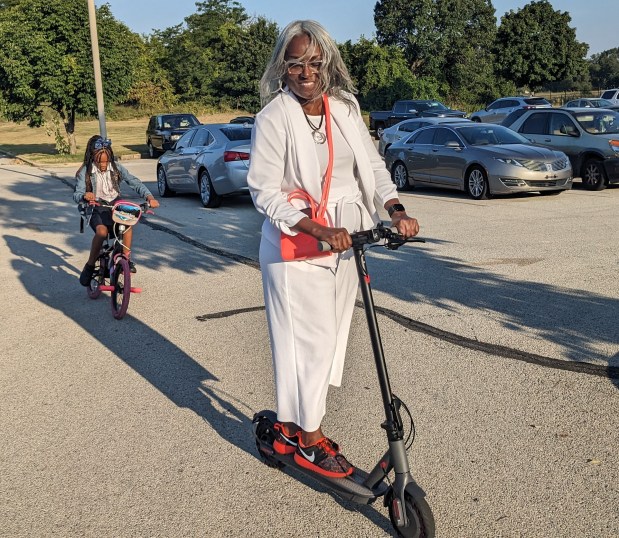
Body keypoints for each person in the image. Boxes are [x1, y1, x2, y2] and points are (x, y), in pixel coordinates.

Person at [247, 20, 419, 478]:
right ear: (283, 68)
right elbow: (264, 192)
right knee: (312, 340)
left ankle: (287, 425)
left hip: (346, 241)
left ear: (328, 64)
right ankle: (309, 439)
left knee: (325, 338)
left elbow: (374, 166)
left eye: (315, 62)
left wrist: (395, 210)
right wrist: (318, 229)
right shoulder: (272, 118)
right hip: (296, 246)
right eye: (297, 62)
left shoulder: (344, 108)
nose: (307, 71)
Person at [73, 135, 159, 286]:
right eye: (100, 161)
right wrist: (85, 195)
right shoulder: (85, 172)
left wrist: (149, 196)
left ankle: (126, 258)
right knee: (101, 233)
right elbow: (76, 194)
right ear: (93, 156)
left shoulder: (117, 168)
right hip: (96, 206)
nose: (104, 164)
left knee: (127, 225)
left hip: (114, 203)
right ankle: (90, 265)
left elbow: (134, 182)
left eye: (106, 160)